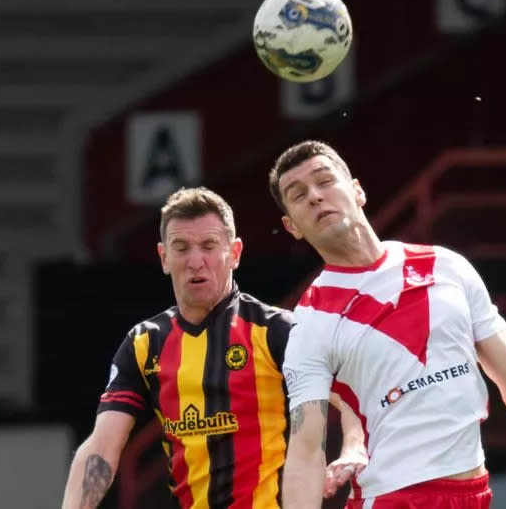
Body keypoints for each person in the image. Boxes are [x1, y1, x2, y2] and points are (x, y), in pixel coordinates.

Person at [268, 141, 506, 509]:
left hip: (475, 493)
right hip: (394, 500)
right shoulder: (312, 321)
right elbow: (306, 450)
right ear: (292, 227)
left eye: (325, 181)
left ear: (357, 190)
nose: (316, 197)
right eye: (299, 194)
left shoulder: (446, 266)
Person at [61, 187, 367, 509]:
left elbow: (351, 398)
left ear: (234, 253)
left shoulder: (275, 330)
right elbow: (102, 446)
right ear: (164, 258)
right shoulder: (144, 344)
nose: (196, 261)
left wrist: (353, 448)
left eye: (209, 246)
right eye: (182, 248)